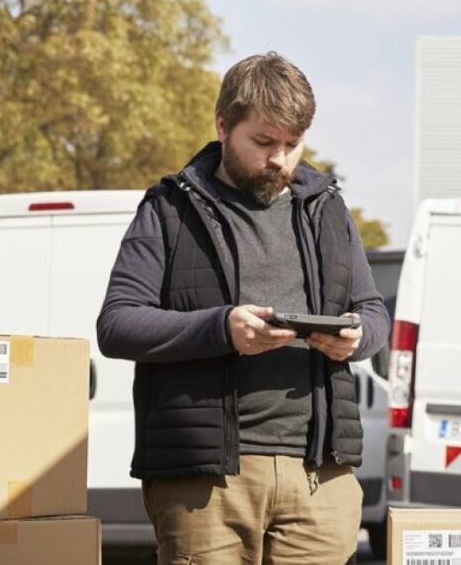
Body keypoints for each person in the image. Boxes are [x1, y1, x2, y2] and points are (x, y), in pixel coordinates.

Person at [96, 51, 389, 565]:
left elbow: (373, 312)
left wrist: (356, 336)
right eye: (264, 142)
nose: (280, 159)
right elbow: (117, 323)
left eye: (293, 144)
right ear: (223, 126)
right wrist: (221, 328)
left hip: (319, 478)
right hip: (207, 485)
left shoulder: (328, 208)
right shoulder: (169, 208)